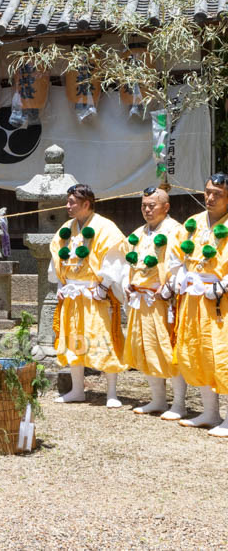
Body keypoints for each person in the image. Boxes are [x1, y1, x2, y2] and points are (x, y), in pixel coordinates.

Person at [101, 187, 188, 417]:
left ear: (166, 207)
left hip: (165, 300)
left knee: (170, 349)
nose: (147, 210)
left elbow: (182, 264)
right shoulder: (138, 233)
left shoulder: (176, 231)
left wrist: (169, 288)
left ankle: (179, 403)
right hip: (140, 299)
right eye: (144, 206)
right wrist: (128, 283)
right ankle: (157, 399)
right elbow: (130, 264)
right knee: (145, 347)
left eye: (152, 205)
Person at [49, 184, 127, 407]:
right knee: (74, 340)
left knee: (104, 338)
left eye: (72, 202)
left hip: (96, 292)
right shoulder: (66, 227)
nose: (68, 206)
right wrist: (61, 287)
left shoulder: (106, 227)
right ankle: (76, 389)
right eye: (68, 201)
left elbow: (115, 258)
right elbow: (57, 259)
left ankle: (111, 392)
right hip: (72, 292)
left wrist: (103, 287)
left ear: (86, 204)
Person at [166, 173, 228, 436]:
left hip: (220, 299)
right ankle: (210, 411)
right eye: (208, 191)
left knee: (223, 354)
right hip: (192, 298)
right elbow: (175, 255)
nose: (210, 197)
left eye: (218, 194)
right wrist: (179, 276)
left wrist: (223, 285)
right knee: (198, 352)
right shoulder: (192, 222)